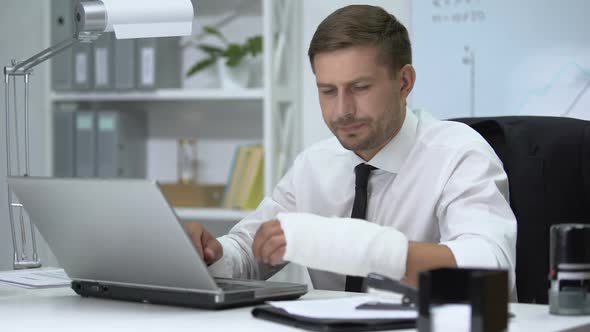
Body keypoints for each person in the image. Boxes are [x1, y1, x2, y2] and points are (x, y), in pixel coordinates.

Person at [184, 4, 517, 296]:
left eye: (360, 88)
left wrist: (353, 246)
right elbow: (250, 250)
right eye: (328, 91)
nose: (342, 110)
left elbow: (490, 266)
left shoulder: (458, 153)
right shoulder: (314, 166)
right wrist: (213, 254)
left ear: (404, 82)